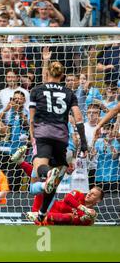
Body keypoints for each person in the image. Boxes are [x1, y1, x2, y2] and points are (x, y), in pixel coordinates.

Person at [28, 61, 88, 223]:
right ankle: (42, 213)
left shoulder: (36, 90)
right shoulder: (69, 93)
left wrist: (33, 137)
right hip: (62, 137)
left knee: (40, 165)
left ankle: (47, 173)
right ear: (62, 76)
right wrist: (83, 143)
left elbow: (32, 118)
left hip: (43, 133)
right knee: (53, 183)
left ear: (47, 73)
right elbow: (79, 118)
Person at [27, 187, 104, 226]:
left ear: (98, 200)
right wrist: (83, 208)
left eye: (93, 194)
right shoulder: (78, 194)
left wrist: (86, 218)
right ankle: (21, 162)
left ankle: (39, 217)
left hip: (48, 220)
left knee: (70, 217)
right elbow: (68, 198)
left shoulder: (90, 214)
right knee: (43, 187)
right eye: (90, 191)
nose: (89, 194)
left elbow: (77, 223)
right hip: (44, 207)